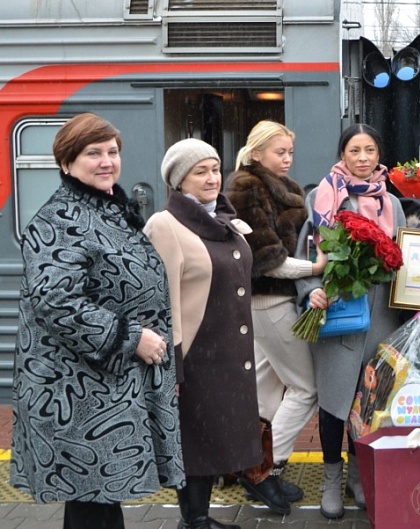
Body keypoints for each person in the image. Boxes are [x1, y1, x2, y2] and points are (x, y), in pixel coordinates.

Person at [10, 113, 185, 529]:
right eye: (94, 153)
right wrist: (131, 338)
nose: (107, 161)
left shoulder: (103, 208)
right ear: (66, 163)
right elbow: (56, 300)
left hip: (101, 388)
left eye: (112, 151)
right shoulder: (60, 219)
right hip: (76, 394)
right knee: (93, 503)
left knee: (97, 503)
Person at [145, 139, 264, 529]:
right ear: (180, 181)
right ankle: (193, 520)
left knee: (215, 438)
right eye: (201, 171)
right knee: (196, 440)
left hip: (228, 354)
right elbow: (163, 301)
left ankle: (199, 517)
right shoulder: (166, 225)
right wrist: (172, 367)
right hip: (196, 355)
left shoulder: (222, 219)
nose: (213, 178)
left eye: (215, 169)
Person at [294, 123, 407, 519]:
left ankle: (358, 477)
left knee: (369, 404)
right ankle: (329, 480)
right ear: (343, 154)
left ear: (379, 155)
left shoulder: (393, 202)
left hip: (382, 319)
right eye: (355, 150)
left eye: (370, 150)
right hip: (338, 315)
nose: (363, 158)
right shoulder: (321, 196)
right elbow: (307, 253)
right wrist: (311, 291)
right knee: (334, 404)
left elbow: (404, 259)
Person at [224, 121, 325, 514]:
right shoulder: (247, 187)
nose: (286, 159)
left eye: (290, 153)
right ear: (256, 153)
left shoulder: (284, 187)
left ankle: (248, 463)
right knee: (306, 389)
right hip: (269, 300)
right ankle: (267, 467)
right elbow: (265, 261)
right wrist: (314, 270)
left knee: (266, 391)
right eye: (279, 152)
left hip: (273, 302)